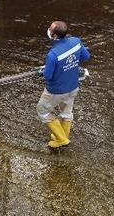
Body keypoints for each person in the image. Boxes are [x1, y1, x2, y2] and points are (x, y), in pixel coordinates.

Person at [37, 20, 91, 149]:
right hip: (73, 87)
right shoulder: (76, 41)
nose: (48, 30)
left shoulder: (53, 55)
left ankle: (61, 139)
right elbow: (86, 57)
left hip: (56, 91)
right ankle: (63, 136)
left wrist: (43, 71)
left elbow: (48, 76)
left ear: (54, 36)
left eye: (50, 29)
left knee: (42, 110)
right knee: (66, 112)